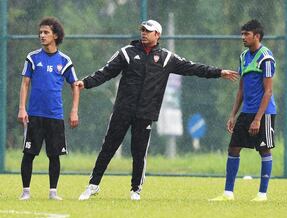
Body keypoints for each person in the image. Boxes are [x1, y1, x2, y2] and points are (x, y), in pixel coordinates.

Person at [77, 19, 238, 201]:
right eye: (142, 30)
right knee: (108, 148)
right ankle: (93, 185)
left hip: (145, 114)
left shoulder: (166, 58)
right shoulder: (126, 53)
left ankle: (135, 190)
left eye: (148, 31)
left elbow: (193, 67)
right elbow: (105, 72)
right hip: (122, 111)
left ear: (157, 35)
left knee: (139, 153)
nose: (144, 33)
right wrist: (86, 82)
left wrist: (218, 72)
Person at [209, 19, 276, 202]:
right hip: (246, 112)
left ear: (257, 36)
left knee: (264, 150)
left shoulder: (266, 57)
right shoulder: (243, 56)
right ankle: (228, 193)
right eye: (242, 34)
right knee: (233, 148)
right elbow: (241, 89)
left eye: (246, 34)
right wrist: (233, 115)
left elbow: (268, 91)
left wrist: (258, 119)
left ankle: (262, 194)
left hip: (264, 113)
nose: (243, 37)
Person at [17, 17, 80, 201]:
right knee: (29, 154)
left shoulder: (64, 60)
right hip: (34, 115)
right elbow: (25, 83)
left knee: (54, 155)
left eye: (46, 32)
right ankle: (25, 191)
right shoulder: (33, 57)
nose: (42, 35)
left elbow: (75, 85)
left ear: (56, 35)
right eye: (40, 32)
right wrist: (22, 108)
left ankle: (53, 192)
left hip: (55, 115)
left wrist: (74, 110)